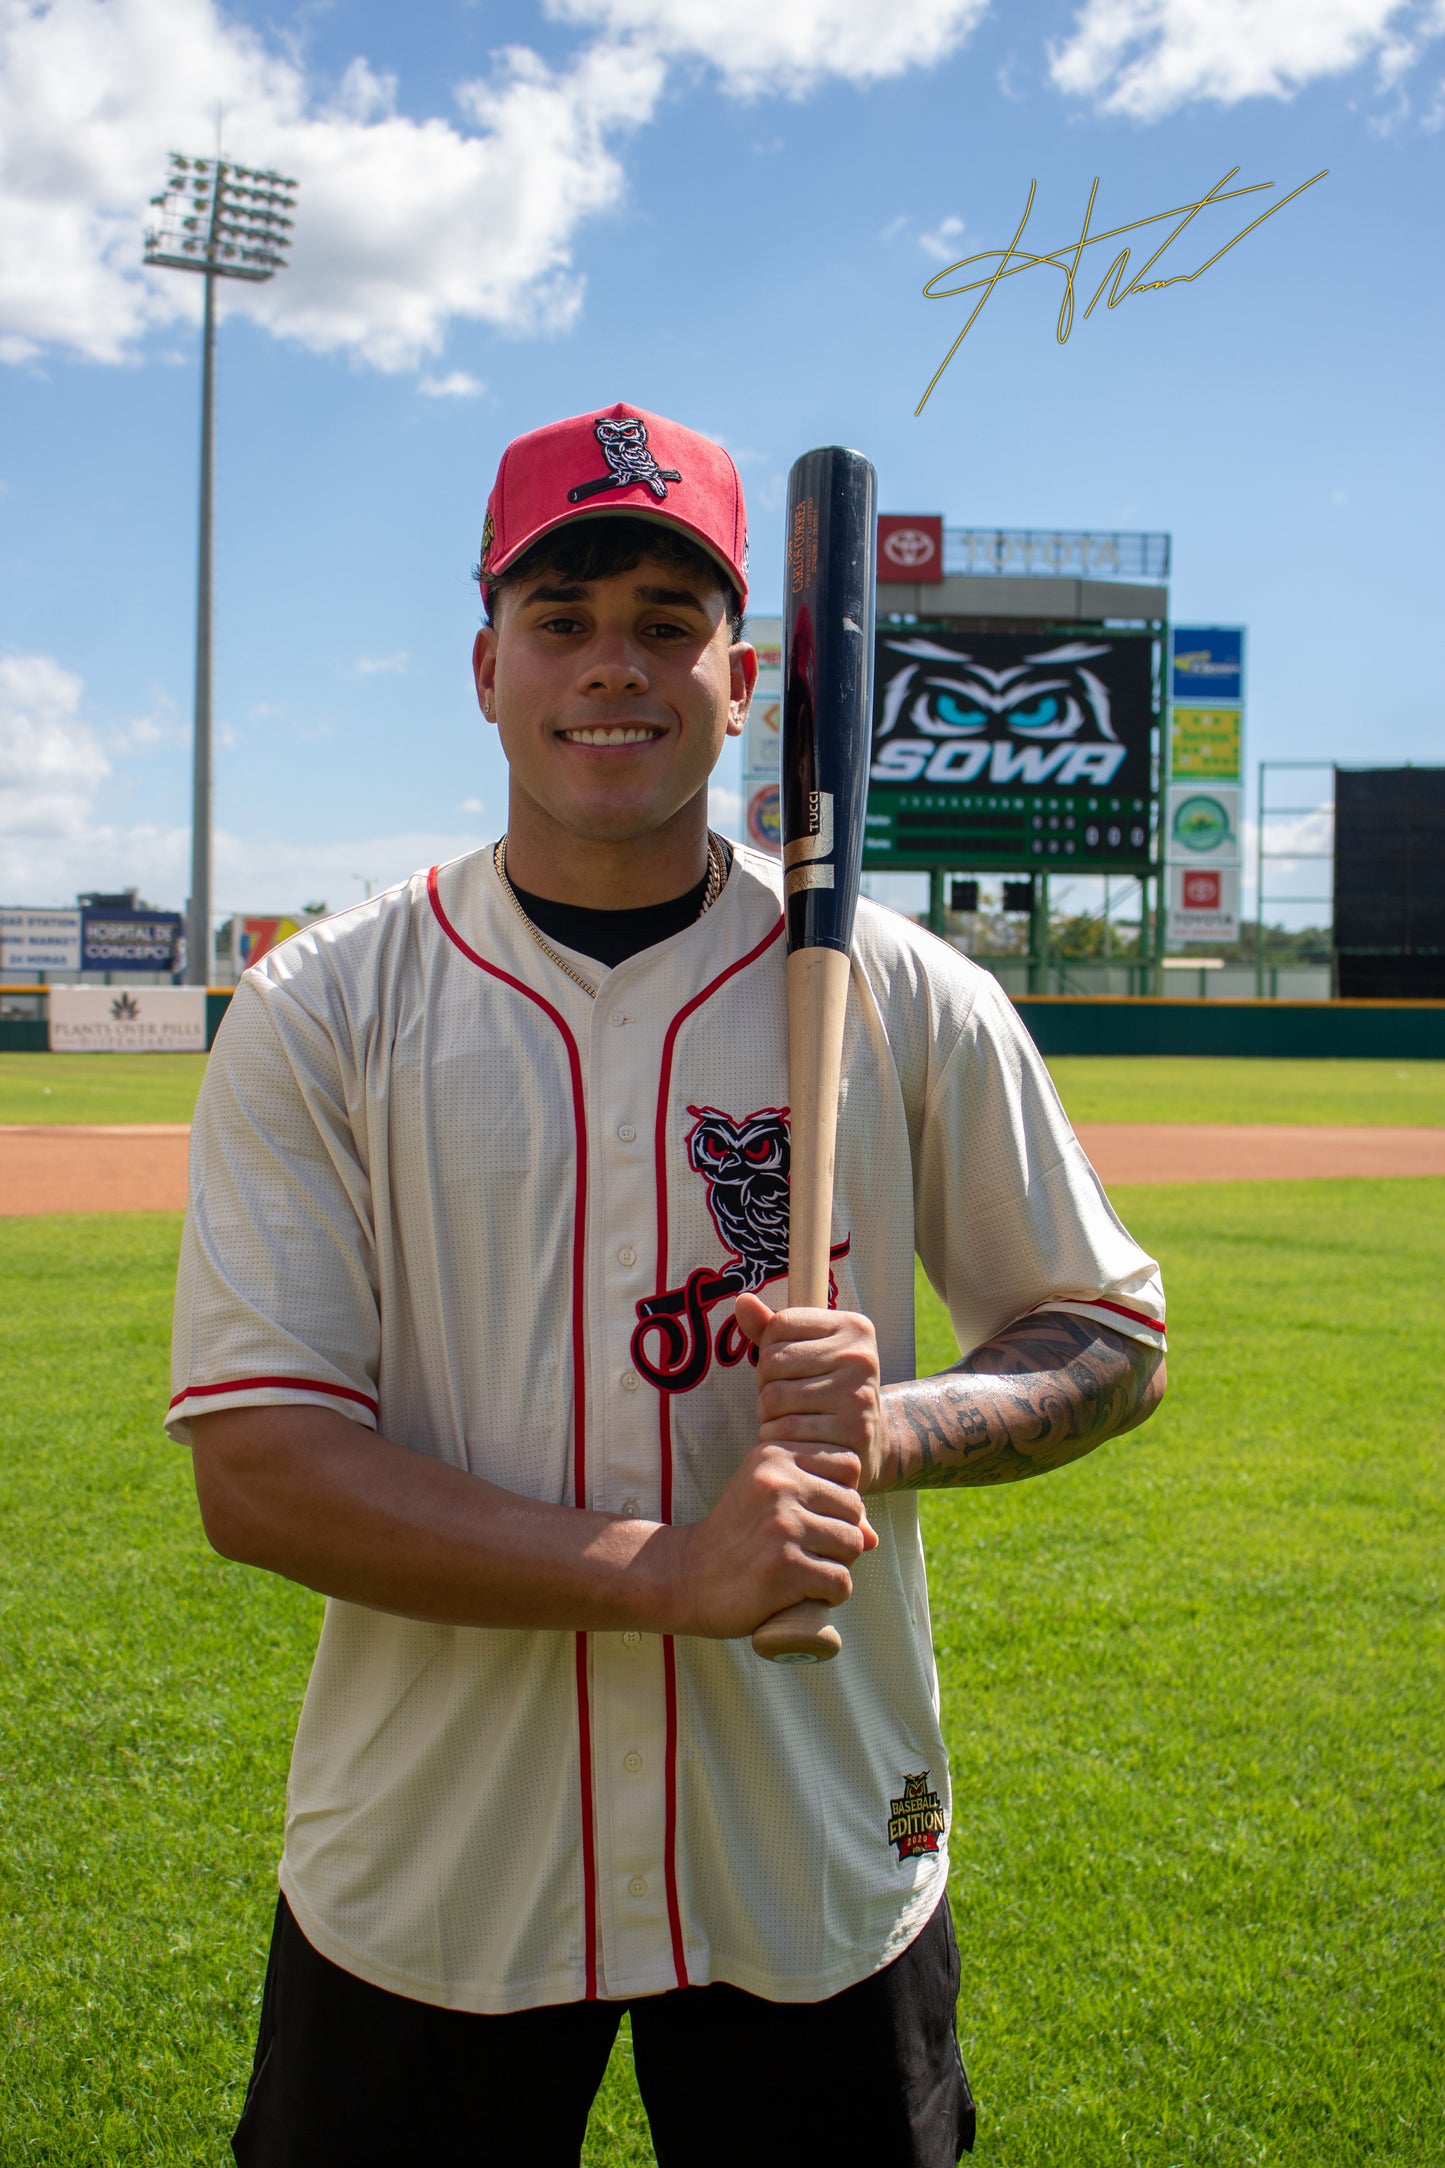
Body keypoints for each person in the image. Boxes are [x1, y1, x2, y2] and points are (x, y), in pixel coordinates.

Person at [169, 400, 1167, 2167]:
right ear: (488, 666)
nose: (610, 667)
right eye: (562, 620)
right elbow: (257, 1472)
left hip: (810, 1837)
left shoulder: (900, 991)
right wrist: (673, 1572)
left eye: (662, 620)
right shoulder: (327, 1003)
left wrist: (899, 1427)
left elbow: (1108, 1331)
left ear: (746, 674)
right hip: (439, 1861)